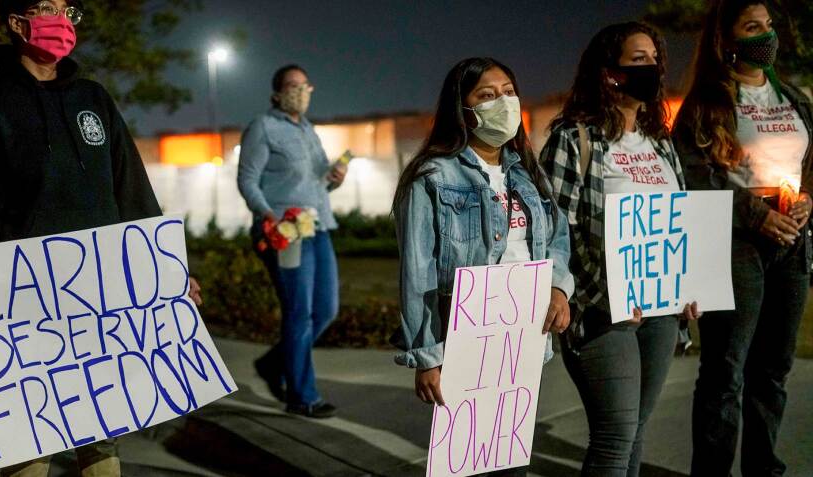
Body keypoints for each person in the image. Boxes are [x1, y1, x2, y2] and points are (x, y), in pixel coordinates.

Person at [0, 1, 202, 475]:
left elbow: (132, 191)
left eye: (68, 9)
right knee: (29, 458)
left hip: (101, 307)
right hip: (25, 312)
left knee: (102, 457)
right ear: (16, 23)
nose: (62, 20)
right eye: (47, 8)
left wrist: (170, 274)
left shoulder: (94, 100)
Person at [392, 57, 573, 476]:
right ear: (464, 109)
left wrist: (559, 288)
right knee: (470, 464)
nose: (503, 102)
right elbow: (417, 272)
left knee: (510, 460)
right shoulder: (431, 177)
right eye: (487, 95)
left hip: (522, 340)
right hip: (463, 339)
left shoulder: (527, 173)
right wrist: (427, 356)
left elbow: (557, 239)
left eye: (509, 92)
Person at [540, 22, 700, 477]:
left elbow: (679, 220)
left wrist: (690, 283)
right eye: (638, 60)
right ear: (610, 73)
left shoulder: (661, 145)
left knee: (635, 432)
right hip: (602, 310)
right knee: (613, 439)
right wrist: (601, 290)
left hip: (661, 311)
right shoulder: (575, 140)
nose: (651, 67)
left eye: (654, 59)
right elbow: (555, 229)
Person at [672, 1, 812, 475]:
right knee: (725, 371)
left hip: (792, 239)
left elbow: (808, 167)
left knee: (773, 370)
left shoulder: (793, 98)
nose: (766, 35)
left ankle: (762, 467)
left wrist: (807, 200)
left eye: (769, 25)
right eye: (753, 27)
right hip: (734, 242)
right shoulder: (708, 102)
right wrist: (755, 215)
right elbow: (690, 174)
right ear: (726, 40)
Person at [237, 64, 347, 419]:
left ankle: (274, 362)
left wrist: (333, 179)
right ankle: (303, 396)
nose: (300, 91)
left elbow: (317, 184)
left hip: (318, 226)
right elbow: (248, 180)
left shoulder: (309, 131)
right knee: (299, 314)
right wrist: (270, 217)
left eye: (305, 85)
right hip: (285, 233)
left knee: (326, 310)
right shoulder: (263, 127)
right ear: (277, 93)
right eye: (292, 85)